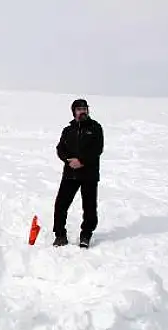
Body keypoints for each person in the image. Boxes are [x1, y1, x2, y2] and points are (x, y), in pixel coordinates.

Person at [53, 98, 104, 248]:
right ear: (74, 111)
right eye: (79, 108)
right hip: (70, 174)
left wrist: (81, 161)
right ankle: (60, 235)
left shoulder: (95, 127)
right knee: (61, 205)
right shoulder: (68, 130)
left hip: (89, 174)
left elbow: (97, 149)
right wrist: (68, 160)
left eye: (85, 108)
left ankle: (86, 235)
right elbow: (60, 148)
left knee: (89, 207)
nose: (83, 111)